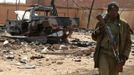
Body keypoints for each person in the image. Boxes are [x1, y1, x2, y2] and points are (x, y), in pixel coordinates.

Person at [91, 3, 132, 75]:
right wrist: (99, 31)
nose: (113, 13)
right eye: (111, 11)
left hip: (117, 56)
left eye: (115, 11)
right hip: (103, 53)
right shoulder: (102, 22)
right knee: (104, 72)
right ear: (108, 11)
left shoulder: (124, 24)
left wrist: (125, 56)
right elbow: (94, 37)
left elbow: (128, 42)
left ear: (118, 11)